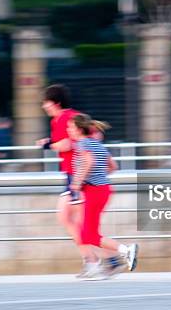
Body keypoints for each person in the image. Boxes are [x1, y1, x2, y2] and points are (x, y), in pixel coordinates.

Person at [68, 113, 139, 280]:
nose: (69, 130)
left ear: (79, 129)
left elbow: (88, 162)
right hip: (104, 189)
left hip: (94, 191)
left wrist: (77, 182)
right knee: (88, 233)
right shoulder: (97, 144)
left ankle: (126, 251)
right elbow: (113, 166)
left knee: (89, 234)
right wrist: (98, 176)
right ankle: (107, 264)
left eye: (70, 127)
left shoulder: (82, 144)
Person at [36, 85, 84, 248]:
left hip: (79, 174)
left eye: (46, 102)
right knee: (65, 217)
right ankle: (94, 260)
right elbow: (59, 142)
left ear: (56, 103)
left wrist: (49, 146)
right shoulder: (55, 121)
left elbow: (68, 143)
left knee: (82, 224)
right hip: (69, 173)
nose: (44, 106)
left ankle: (108, 258)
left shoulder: (69, 117)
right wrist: (49, 142)